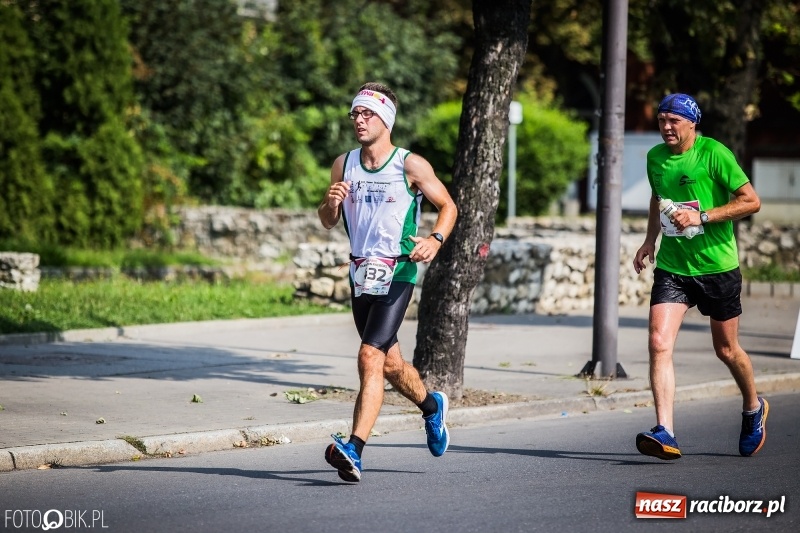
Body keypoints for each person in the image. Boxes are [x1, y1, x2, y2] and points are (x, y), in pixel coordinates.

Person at [317, 82, 458, 482]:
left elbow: (448, 206)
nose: (358, 121)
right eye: (355, 115)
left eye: (367, 115)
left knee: (368, 356)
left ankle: (353, 448)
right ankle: (432, 407)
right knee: (391, 365)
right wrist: (330, 203)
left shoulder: (408, 164)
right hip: (361, 274)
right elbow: (327, 220)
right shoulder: (344, 164)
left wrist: (435, 239)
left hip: (398, 271)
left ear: (386, 120)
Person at [632, 93, 767, 460]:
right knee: (659, 341)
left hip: (717, 267)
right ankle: (666, 431)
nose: (666, 127)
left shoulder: (714, 154)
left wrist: (702, 215)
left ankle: (753, 407)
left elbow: (750, 201)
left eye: (674, 120)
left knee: (726, 350)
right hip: (674, 268)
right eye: (662, 119)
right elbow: (658, 198)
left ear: (693, 123)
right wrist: (649, 240)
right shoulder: (655, 158)